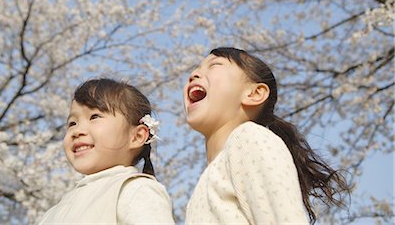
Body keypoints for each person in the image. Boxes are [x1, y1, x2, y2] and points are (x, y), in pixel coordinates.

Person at [183, 47, 349, 225]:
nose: (194, 74)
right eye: (196, 68)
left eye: (214, 65)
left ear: (254, 94)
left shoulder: (249, 138)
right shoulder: (207, 180)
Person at [38, 78, 175, 224]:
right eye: (72, 123)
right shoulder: (54, 211)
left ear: (137, 136)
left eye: (94, 116)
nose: (77, 131)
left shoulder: (134, 190)